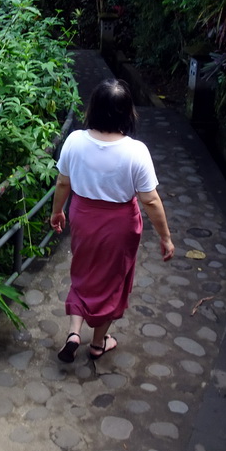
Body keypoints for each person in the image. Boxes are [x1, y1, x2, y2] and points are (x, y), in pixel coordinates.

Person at [49, 78, 174, 362]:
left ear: (92, 109)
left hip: (83, 215)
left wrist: (58, 211)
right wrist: (165, 237)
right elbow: (151, 200)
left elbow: (62, 184)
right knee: (112, 280)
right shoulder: (136, 151)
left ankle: (73, 333)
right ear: (127, 113)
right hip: (119, 224)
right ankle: (97, 343)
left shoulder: (75, 141)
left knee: (83, 270)